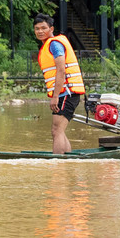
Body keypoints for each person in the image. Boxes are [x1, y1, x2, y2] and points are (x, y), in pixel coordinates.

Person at [33, 14, 85, 154]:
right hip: (66, 93)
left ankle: (58, 163)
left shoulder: (54, 44)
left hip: (66, 92)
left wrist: (55, 96)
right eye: (37, 28)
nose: (40, 31)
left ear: (51, 29)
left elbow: (61, 70)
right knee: (58, 131)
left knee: (57, 130)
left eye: (43, 28)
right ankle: (66, 160)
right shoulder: (49, 45)